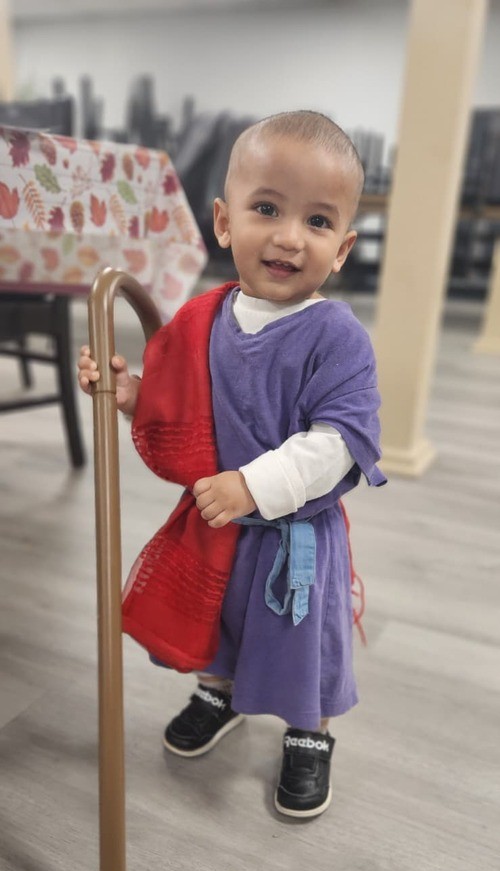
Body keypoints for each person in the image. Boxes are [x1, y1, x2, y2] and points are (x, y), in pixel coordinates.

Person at [78, 109, 386, 820]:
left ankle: (309, 732)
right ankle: (218, 694)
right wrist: (132, 395)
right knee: (217, 622)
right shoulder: (203, 319)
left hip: (291, 536)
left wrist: (255, 484)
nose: (289, 236)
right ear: (224, 222)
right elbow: (179, 403)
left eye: (317, 221)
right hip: (215, 521)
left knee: (303, 642)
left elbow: (341, 439)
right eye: (267, 209)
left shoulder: (337, 337)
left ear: (342, 249)